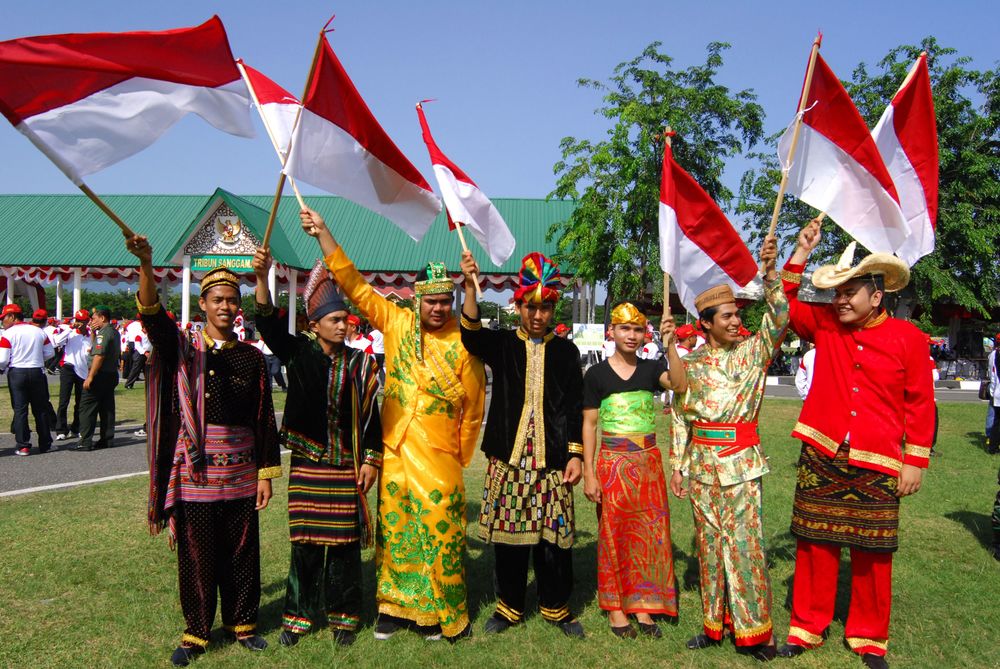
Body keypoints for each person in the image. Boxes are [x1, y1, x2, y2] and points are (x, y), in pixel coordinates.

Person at [301, 206, 485, 641]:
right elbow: (354, 284)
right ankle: (395, 608)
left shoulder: (463, 342)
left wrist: (459, 455)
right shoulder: (396, 322)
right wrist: (325, 233)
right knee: (397, 528)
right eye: (431, 300)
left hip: (440, 453)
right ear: (417, 299)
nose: (438, 308)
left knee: (440, 530)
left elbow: (474, 408)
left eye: (445, 301)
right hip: (394, 449)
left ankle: (444, 612)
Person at [775, 220, 935, 669]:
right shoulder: (825, 325)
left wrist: (915, 460)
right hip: (823, 449)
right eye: (837, 292)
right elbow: (787, 301)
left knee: (873, 551)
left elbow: (921, 404)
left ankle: (868, 637)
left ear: (877, 295)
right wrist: (801, 251)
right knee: (814, 543)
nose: (840, 300)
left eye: (850, 292)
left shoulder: (910, 339)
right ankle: (807, 626)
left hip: (880, 456)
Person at [125, 234, 281, 667]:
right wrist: (146, 263)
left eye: (233, 300)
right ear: (203, 305)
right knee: (198, 553)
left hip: (242, 469)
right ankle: (196, 632)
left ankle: (243, 625)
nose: (226, 307)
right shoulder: (185, 350)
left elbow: (263, 417)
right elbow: (153, 317)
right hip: (196, 471)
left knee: (243, 549)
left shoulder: (251, 357)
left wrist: (266, 474)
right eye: (218, 300)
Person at [253, 251, 382, 648]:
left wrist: (372, 461)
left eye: (345, 320)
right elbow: (267, 324)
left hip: (346, 465)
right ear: (315, 325)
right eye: (336, 321)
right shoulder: (299, 355)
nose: (344, 326)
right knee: (305, 546)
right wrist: (262, 278)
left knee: (344, 549)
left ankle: (344, 618)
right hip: (308, 465)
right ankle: (298, 617)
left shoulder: (361, 364)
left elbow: (371, 418)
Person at [670, 236, 787, 661]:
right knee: (708, 546)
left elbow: (780, 317)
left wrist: (771, 274)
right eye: (729, 316)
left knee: (744, 546)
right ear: (705, 323)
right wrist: (678, 467)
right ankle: (713, 625)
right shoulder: (693, 366)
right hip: (701, 468)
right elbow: (682, 416)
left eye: (739, 315)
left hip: (740, 465)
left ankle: (756, 632)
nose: (738, 322)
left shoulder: (753, 353)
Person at [459, 251, 586, 638]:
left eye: (545, 308)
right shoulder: (502, 345)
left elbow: (575, 405)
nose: (537, 316)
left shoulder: (567, 352)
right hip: (510, 457)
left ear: (552, 309)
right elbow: (469, 333)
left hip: (552, 458)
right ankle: (509, 607)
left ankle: (556, 607)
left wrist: (576, 455)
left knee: (554, 539)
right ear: (519, 306)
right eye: (531, 307)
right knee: (510, 541)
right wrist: (468, 286)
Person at [582, 302, 687, 638]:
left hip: (649, 465)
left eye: (638, 329)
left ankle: (643, 605)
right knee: (614, 536)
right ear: (610, 332)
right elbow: (589, 424)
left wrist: (671, 344)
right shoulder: (596, 375)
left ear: (646, 334)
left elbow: (681, 385)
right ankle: (616, 608)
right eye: (624, 328)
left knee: (649, 536)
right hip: (612, 465)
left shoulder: (651, 369)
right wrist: (589, 472)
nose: (631, 335)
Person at [1, 303, 55, 455]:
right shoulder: (38, 331)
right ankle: (46, 444)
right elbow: (50, 353)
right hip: (37, 371)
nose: (3, 322)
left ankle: (23, 445)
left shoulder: (8, 334)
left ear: (12, 317)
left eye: (4, 318)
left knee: (20, 410)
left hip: (17, 372)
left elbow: (2, 359)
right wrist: (36, 357)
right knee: (41, 409)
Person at [75, 306, 121, 452]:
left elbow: (99, 355)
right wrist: (94, 333)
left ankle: (85, 441)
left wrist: (90, 376)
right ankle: (107, 439)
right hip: (110, 373)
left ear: (102, 318)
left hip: (100, 374)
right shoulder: (112, 331)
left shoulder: (104, 333)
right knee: (106, 407)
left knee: (87, 407)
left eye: (94, 318)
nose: (91, 321)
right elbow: (96, 346)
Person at [52, 309, 91, 441]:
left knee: (80, 402)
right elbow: (56, 341)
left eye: (82, 321)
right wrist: (69, 328)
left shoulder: (91, 335)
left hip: (83, 370)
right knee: (64, 400)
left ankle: (76, 428)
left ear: (87, 321)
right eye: (77, 320)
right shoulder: (70, 332)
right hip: (68, 367)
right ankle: (61, 429)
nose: (79, 323)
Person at [988, 343, 999, 455]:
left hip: (996, 391)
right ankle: (993, 445)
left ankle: (993, 445)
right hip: (997, 391)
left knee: (996, 420)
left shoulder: (994, 355)